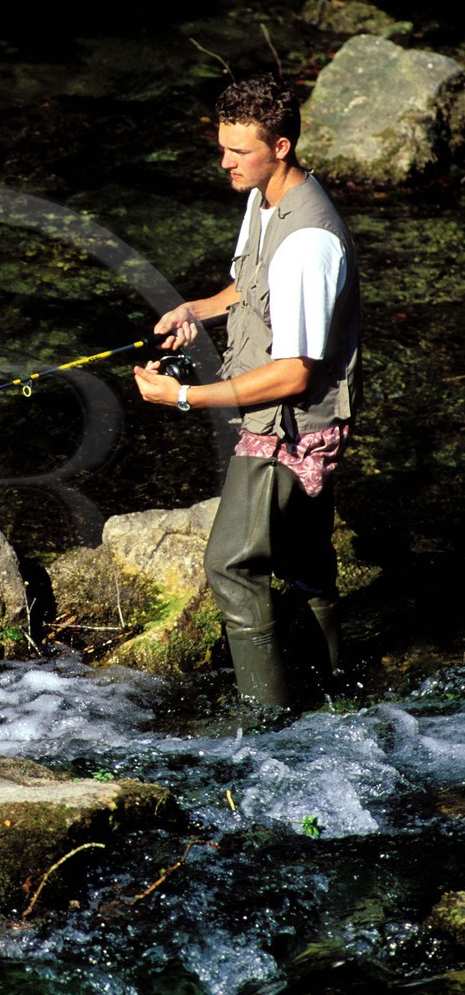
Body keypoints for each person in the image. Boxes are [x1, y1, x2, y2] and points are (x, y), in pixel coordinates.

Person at [133, 73, 361, 710]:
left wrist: (184, 401)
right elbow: (248, 286)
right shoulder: (263, 198)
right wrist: (197, 310)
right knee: (307, 566)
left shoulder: (308, 243)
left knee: (230, 568)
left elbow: (295, 374)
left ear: (281, 146)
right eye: (222, 147)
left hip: (291, 428)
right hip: (280, 414)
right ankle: (336, 699)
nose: (224, 161)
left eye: (239, 151)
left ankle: (269, 728)